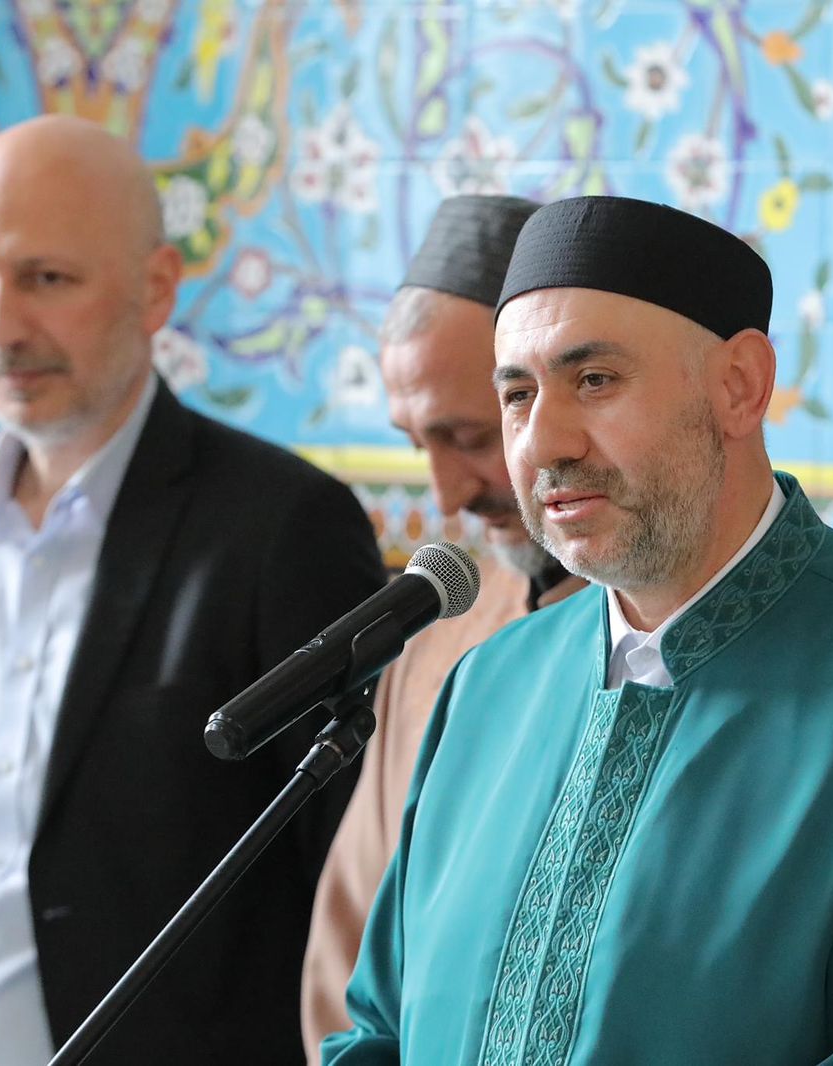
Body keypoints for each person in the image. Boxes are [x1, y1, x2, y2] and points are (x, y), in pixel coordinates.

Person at [321, 196, 833, 1064]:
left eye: (594, 381)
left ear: (739, 386)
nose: (546, 441)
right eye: (518, 395)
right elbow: (376, 1030)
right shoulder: (489, 685)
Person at [0, 115, 387, 1066]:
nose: (0, 328)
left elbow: (344, 884)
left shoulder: (281, 527)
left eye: (46, 279)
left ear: (156, 289)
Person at [300, 195, 587, 1062]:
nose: (447, 494)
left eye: (468, 436)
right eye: (418, 441)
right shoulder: (434, 638)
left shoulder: (669, 626)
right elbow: (349, 954)